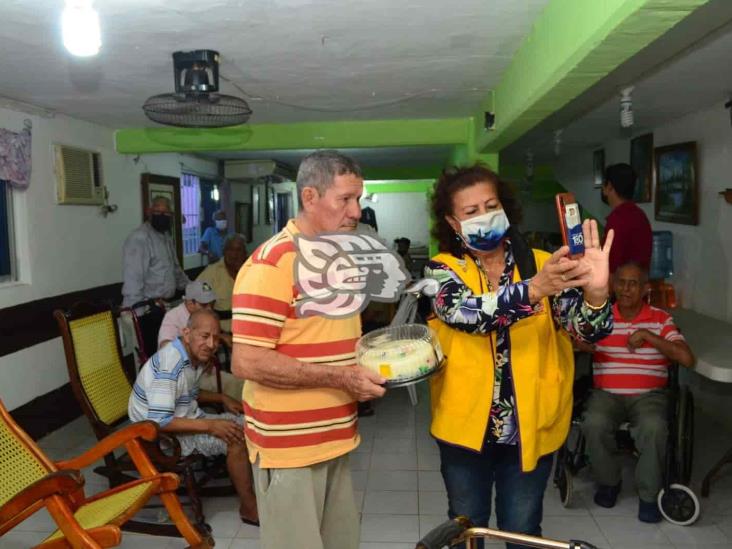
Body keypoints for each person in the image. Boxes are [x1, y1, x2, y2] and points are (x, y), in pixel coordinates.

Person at [425, 164, 615, 548]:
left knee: (523, 530)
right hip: (464, 432)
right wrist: (534, 290)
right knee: (464, 530)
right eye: (470, 211)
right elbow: (467, 314)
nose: (483, 217)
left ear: (505, 207)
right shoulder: (442, 270)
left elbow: (587, 332)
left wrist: (596, 293)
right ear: (452, 221)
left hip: (532, 428)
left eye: (490, 205)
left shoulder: (546, 262)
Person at [231, 150, 386, 549]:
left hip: (335, 435)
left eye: (358, 199)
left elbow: (332, 340)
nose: (356, 211)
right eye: (345, 200)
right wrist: (340, 376)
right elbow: (247, 361)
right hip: (288, 448)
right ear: (310, 198)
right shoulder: (271, 264)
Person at [581, 262, 695, 523]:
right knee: (593, 423)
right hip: (606, 394)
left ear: (645, 289)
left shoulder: (660, 319)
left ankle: (649, 495)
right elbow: (576, 343)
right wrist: (580, 345)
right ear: (612, 285)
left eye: (633, 283)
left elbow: (687, 359)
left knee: (654, 427)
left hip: (649, 395)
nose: (625, 288)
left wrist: (649, 336)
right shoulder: (601, 316)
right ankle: (609, 483)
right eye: (620, 282)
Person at [128, 308, 258, 525]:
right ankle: (249, 507)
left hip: (186, 419)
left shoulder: (191, 356)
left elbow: (187, 393)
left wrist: (223, 398)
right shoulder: (170, 365)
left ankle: (257, 488)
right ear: (186, 333)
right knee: (238, 437)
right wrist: (210, 425)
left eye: (216, 338)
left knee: (252, 425)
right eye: (205, 336)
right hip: (161, 438)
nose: (211, 344)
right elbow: (159, 422)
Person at [122, 195, 189, 355]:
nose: (162, 216)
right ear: (149, 212)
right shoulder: (140, 238)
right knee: (153, 359)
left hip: (163, 308)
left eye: (166, 213)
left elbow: (176, 271)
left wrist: (193, 289)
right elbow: (133, 280)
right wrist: (136, 319)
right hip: (145, 312)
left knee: (170, 354)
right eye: (157, 211)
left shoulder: (165, 237)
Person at [157, 280, 243, 401]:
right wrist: (197, 357)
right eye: (204, 305)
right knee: (235, 386)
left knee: (241, 383)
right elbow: (165, 347)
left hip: (202, 370)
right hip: (183, 375)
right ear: (190, 303)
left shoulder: (203, 315)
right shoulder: (173, 317)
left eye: (212, 304)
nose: (209, 309)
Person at [601, 163, 652, 273]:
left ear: (609, 186)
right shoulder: (640, 215)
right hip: (637, 284)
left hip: (621, 285)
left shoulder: (617, 219)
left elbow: (610, 264)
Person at [197, 233, 248, 334]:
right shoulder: (212, 273)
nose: (234, 254)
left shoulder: (252, 271)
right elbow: (197, 303)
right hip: (221, 333)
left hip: (248, 330)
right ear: (224, 251)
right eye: (230, 250)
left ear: (245, 253)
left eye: (239, 250)